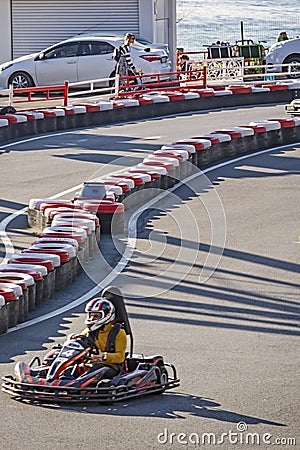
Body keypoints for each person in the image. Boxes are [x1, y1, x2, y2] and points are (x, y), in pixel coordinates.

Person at [71, 297, 127, 378]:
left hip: (110, 367)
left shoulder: (118, 333)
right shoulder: (88, 332)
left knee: (93, 369)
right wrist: (72, 341)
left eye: (96, 316)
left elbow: (121, 357)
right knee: (72, 369)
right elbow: (79, 345)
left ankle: (75, 386)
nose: (92, 319)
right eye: (91, 315)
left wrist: (104, 356)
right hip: (89, 364)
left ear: (107, 316)